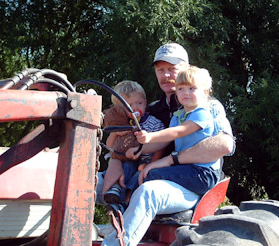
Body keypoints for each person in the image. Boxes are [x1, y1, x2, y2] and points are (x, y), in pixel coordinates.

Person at [101, 43, 234, 246]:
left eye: (172, 69)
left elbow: (224, 145)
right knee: (91, 183)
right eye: (160, 70)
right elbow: (131, 141)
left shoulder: (207, 105)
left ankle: (116, 242)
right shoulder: (153, 109)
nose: (166, 75)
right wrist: (115, 161)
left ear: (186, 69)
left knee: (148, 191)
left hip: (192, 182)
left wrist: (171, 160)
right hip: (150, 174)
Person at [134, 66, 220, 195]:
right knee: (143, 171)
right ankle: (122, 203)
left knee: (152, 175)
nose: (186, 92)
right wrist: (139, 150)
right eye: (181, 89)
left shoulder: (202, 113)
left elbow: (178, 131)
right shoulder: (178, 116)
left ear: (205, 92)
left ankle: (130, 205)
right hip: (186, 168)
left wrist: (150, 136)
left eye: (192, 88)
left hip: (203, 172)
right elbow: (166, 140)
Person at [98, 80, 165, 214]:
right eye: (129, 105)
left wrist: (151, 164)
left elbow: (160, 147)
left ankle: (125, 202)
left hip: (146, 162)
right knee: (127, 167)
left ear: (145, 103)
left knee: (139, 174)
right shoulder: (121, 125)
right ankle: (116, 190)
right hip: (128, 161)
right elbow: (112, 149)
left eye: (139, 103)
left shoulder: (153, 123)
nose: (135, 108)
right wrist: (115, 134)